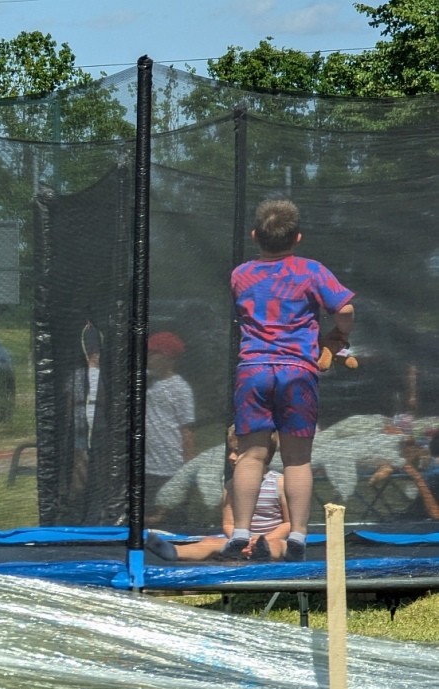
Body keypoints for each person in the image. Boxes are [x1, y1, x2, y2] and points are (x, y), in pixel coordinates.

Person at [222, 198, 355, 562]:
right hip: (298, 370)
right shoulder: (311, 271)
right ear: (298, 237)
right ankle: (297, 537)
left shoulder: (240, 274)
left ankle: (241, 534)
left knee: (250, 455)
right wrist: (338, 337)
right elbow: (344, 308)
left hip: (254, 370)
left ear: (255, 236)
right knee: (297, 460)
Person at [147, 430, 292, 561]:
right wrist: (241, 541)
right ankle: (176, 551)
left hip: (271, 540)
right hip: (241, 542)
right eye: (230, 451)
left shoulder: (279, 483)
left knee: (278, 546)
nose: (230, 456)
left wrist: (262, 541)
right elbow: (228, 523)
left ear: (261, 455)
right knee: (210, 542)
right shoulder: (231, 486)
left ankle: (262, 552)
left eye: (237, 451)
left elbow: (289, 523)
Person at [145, 330, 195, 511]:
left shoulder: (181, 388)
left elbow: (187, 430)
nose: (148, 357)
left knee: (171, 515)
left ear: (166, 357)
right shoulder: (145, 381)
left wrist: (187, 468)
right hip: (145, 465)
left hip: (170, 466)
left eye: (152, 353)